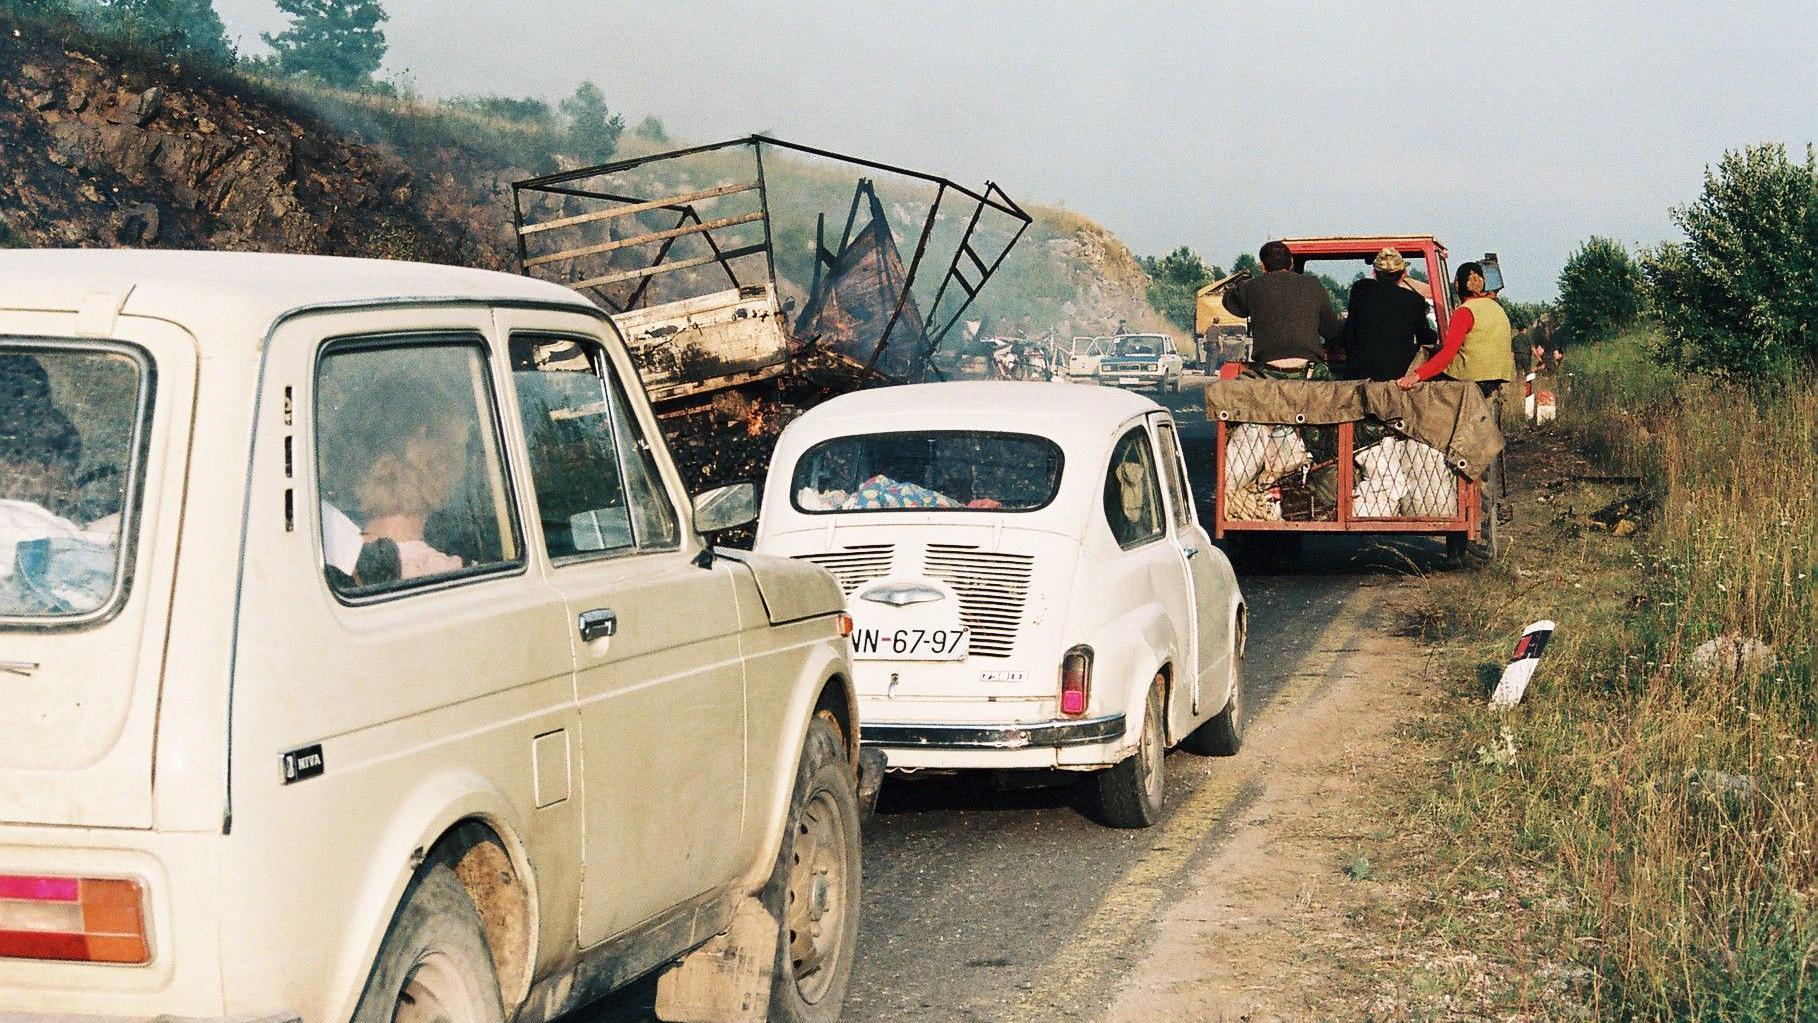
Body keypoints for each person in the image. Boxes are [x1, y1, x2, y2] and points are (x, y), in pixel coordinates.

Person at [1220, 239, 1343, 378]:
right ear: (1291, 263)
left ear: (1262, 266)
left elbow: (1230, 302)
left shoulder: (1251, 286)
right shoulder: (1313, 284)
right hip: (1308, 368)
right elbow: (1331, 330)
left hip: (1268, 367)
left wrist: (1235, 286)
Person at [1395, 261, 1515, 397]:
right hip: (1496, 376)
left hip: (1470, 377)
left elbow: (1448, 353)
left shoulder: (1465, 311)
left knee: (1420, 390)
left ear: (1458, 285)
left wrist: (1415, 377)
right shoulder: (1497, 308)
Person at [1333, 247, 1438, 381]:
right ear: (1403, 274)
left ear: (1374, 272)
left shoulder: (1360, 292)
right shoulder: (1414, 300)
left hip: (1359, 377)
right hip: (1396, 379)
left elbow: (1348, 335)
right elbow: (1426, 338)